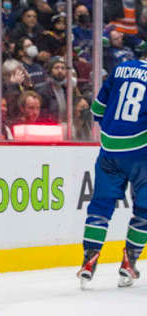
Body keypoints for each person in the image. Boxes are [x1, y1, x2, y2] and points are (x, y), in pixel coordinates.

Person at [77, 57, 147, 289]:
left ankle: (89, 260)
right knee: (144, 210)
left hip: (109, 150)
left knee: (100, 206)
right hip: (141, 154)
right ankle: (129, 261)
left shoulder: (121, 67)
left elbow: (97, 109)